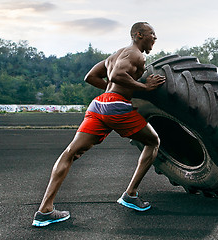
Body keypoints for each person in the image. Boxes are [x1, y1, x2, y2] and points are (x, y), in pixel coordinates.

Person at [32, 22, 166, 227]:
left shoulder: (116, 54)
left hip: (99, 104)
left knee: (70, 153)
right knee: (153, 141)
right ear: (139, 35)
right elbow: (117, 76)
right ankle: (130, 194)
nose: (155, 38)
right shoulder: (136, 54)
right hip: (116, 108)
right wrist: (143, 87)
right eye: (152, 34)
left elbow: (91, 77)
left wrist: (112, 91)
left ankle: (44, 210)